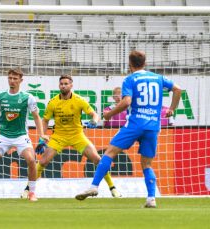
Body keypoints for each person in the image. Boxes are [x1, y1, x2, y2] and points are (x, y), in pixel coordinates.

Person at [75, 51, 181, 208]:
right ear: (145, 63)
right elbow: (178, 89)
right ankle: (151, 198)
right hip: (153, 126)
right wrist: (172, 108)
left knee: (109, 153)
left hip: (135, 124)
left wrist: (109, 114)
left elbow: (126, 102)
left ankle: (94, 186)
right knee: (147, 164)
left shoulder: (130, 79)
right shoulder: (158, 78)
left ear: (130, 64)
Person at [21, 74, 121, 198]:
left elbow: (94, 114)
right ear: (59, 85)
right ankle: (27, 189)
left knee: (97, 159)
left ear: (71, 85)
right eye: (61, 84)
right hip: (59, 136)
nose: (63, 86)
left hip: (77, 135)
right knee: (43, 161)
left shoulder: (79, 100)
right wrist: (42, 137)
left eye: (66, 84)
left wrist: (94, 121)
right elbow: (45, 120)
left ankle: (113, 188)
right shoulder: (53, 102)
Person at [0, 68, 48, 202]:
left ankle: (32, 193)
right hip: (3, 136)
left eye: (15, 78)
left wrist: (41, 135)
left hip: (21, 136)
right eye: (10, 78)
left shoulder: (28, 98)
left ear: (21, 80)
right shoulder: (0, 96)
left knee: (31, 160)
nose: (12, 81)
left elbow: (36, 117)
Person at [104, 87, 174, 127]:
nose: (119, 98)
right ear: (113, 97)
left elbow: (172, 125)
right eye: (116, 96)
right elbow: (104, 124)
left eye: (121, 95)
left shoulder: (166, 110)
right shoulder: (108, 109)